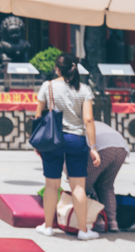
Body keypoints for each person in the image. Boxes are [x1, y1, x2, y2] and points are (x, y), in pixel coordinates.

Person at [34, 52, 101, 241]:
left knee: (51, 185)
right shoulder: (85, 89)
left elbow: (38, 115)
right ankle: (83, 231)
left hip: (52, 140)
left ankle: (48, 226)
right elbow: (88, 119)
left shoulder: (47, 87)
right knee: (78, 186)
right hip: (76, 140)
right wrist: (93, 147)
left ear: (57, 68)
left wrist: (38, 142)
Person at [84, 120, 129, 232]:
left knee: (85, 185)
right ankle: (112, 222)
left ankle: (98, 219)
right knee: (106, 185)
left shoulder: (74, 125)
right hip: (121, 147)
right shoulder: (97, 123)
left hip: (102, 148)